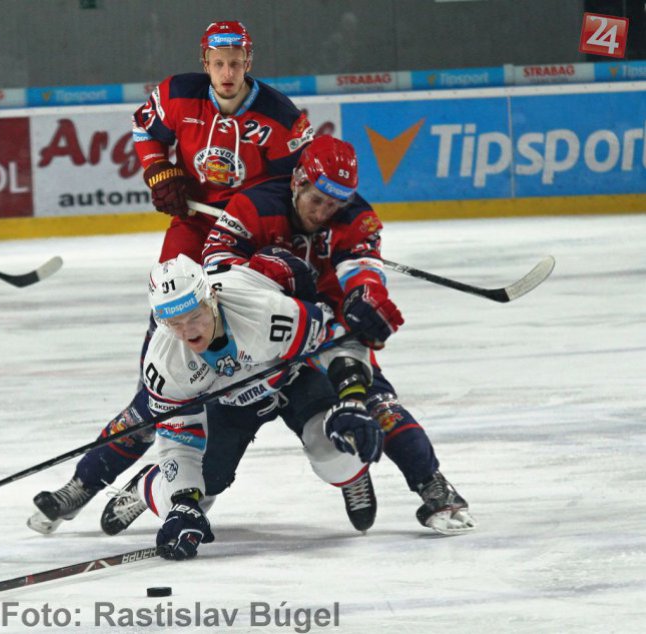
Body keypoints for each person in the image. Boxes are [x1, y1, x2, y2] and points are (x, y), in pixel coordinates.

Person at [28, 20, 314, 533]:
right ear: (206, 62)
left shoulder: (280, 116)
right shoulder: (178, 94)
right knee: (158, 382)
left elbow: (293, 184)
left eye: (236, 63)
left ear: (249, 62)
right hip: (193, 228)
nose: (227, 73)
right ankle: (85, 483)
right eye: (218, 63)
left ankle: (160, 487)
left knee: (228, 401)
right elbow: (146, 131)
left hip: (246, 241)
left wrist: (251, 215)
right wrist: (161, 171)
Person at [202, 135, 476, 535]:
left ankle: (431, 485)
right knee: (212, 418)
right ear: (297, 181)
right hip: (261, 333)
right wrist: (264, 275)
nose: (323, 213)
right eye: (317, 200)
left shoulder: (356, 217)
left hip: (326, 329)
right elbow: (216, 271)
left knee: (375, 400)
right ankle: (170, 491)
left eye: (334, 205)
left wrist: (366, 298)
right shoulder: (252, 205)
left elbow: (362, 271)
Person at [102, 254, 383, 559]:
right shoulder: (165, 364)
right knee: (197, 492)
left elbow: (336, 341)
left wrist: (352, 399)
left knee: (335, 454)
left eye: (194, 316)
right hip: (231, 403)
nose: (188, 331)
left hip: (293, 378)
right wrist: (183, 499)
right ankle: (148, 485)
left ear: (211, 297)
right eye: (174, 323)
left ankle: (352, 473)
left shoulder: (266, 312)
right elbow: (179, 437)